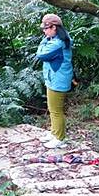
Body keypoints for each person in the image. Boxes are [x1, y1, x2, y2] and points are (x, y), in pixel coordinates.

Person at [36, 13, 73, 149]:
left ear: (54, 28)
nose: (44, 32)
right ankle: (55, 133)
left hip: (58, 80)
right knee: (53, 109)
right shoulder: (61, 39)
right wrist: (46, 39)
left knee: (56, 110)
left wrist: (44, 41)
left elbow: (41, 54)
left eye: (46, 29)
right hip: (54, 79)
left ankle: (59, 138)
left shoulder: (56, 43)